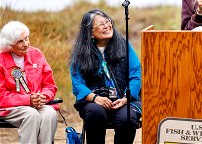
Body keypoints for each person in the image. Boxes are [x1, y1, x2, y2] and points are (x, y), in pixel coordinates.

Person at [70, 9, 142, 144]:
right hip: (93, 101)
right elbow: (77, 82)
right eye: (101, 24)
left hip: (125, 99)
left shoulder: (123, 45)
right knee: (95, 114)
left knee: (126, 119)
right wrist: (95, 98)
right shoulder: (81, 52)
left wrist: (126, 98)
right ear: (90, 32)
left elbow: (135, 74)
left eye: (107, 21)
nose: (107, 26)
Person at [0, 21, 58, 144]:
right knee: (31, 115)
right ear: (9, 45)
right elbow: (1, 96)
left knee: (50, 114)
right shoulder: (1, 61)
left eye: (27, 38)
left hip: (37, 104)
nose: (26, 44)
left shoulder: (36, 54)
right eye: (20, 41)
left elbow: (49, 85)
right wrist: (28, 99)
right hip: (10, 107)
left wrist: (44, 96)